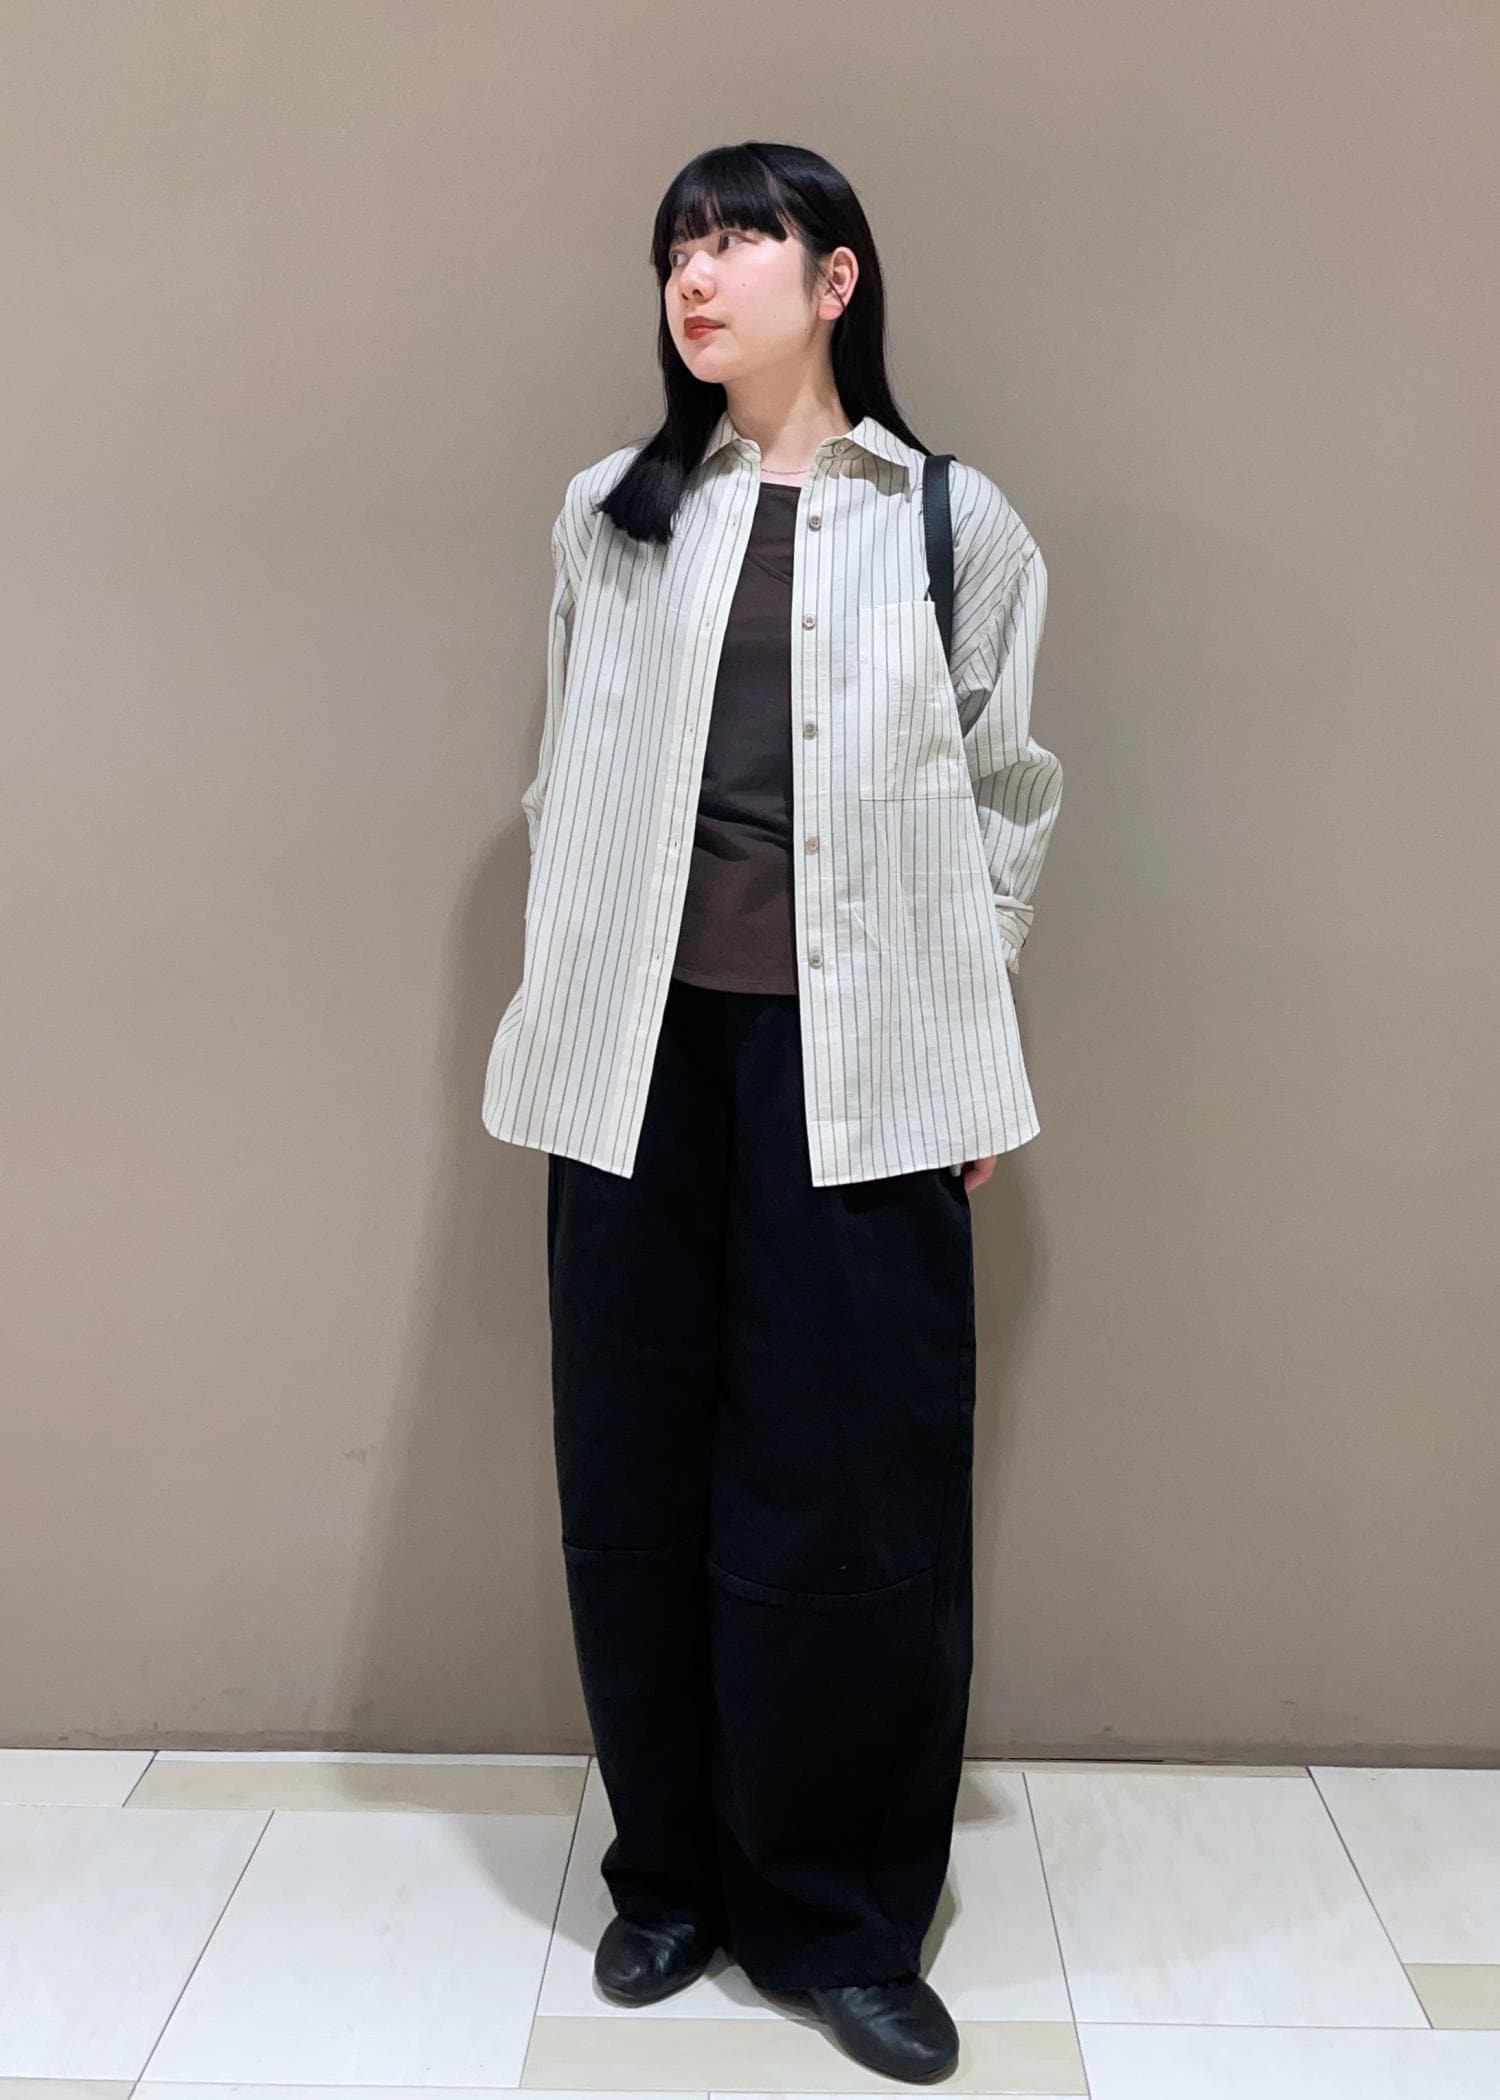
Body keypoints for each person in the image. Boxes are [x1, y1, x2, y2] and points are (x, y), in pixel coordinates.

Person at [481, 139, 1062, 2084]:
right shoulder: (611, 514)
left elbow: (1008, 797)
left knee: (852, 1496)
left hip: (868, 1067)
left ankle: (838, 1916)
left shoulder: (953, 523)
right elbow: (567, 779)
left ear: (835, 278)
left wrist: (966, 1037)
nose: (697, 273)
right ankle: (671, 1874)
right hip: (633, 1066)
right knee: (633, 1472)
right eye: (677, 244)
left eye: (739, 237)